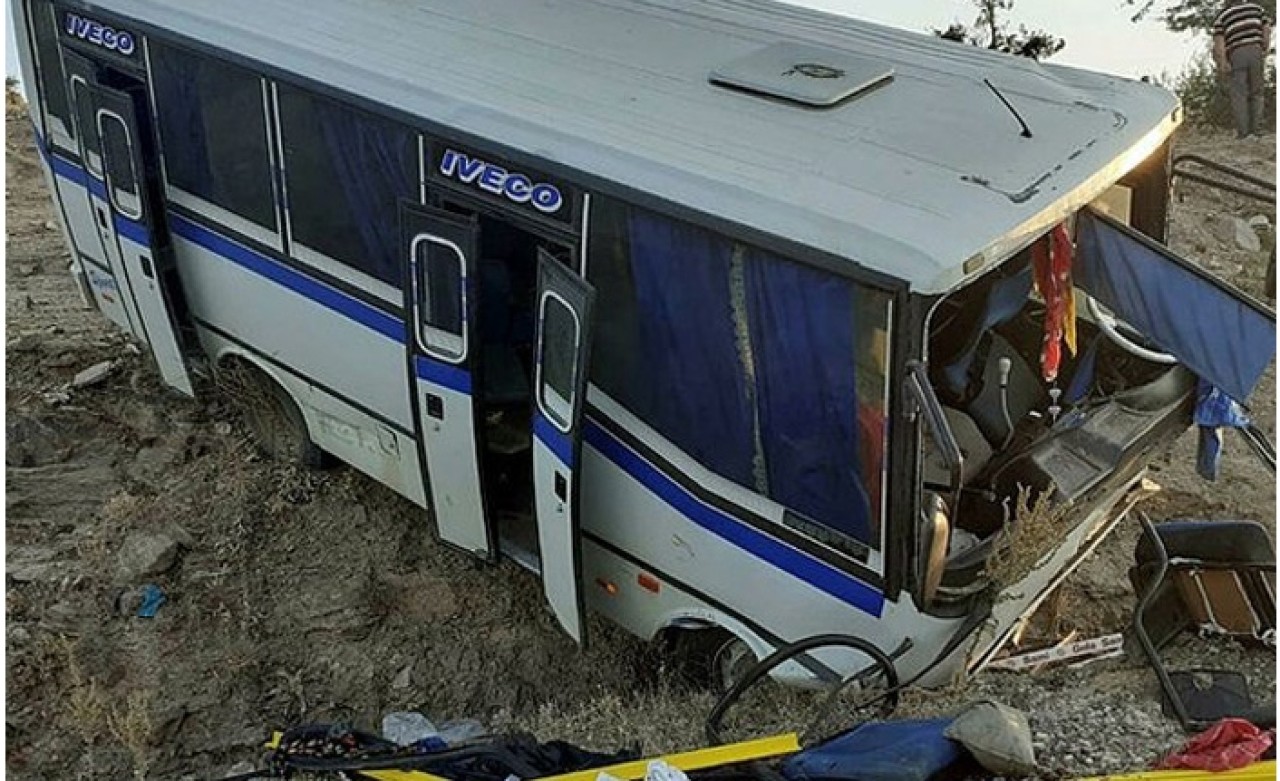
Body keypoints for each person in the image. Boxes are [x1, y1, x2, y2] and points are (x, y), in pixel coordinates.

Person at [1212, 0, 1273, 138]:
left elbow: (1219, 43)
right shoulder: (1256, 9)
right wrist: (1265, 45)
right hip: (1256, 50)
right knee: (1257, 92)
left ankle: (1243, 133)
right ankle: (1256, 129)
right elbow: (1267, 27)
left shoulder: (1223, 17)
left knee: (1239, 94)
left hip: (1236, 53)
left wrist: (1223, 62)